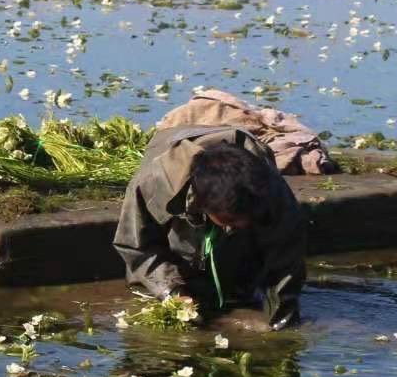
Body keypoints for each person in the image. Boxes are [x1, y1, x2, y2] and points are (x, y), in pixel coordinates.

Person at [114, 126, 305, 329]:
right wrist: (173, 292)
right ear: (202, 204)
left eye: (247, 219)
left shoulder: (269, 188)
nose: (243, 224)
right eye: (231, 220)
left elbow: (286, 256)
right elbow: (136, 246)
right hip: (181, 225)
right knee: (160, 288)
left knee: (244, 281)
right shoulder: (153, 182)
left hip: (240, 222)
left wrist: (281, 319)